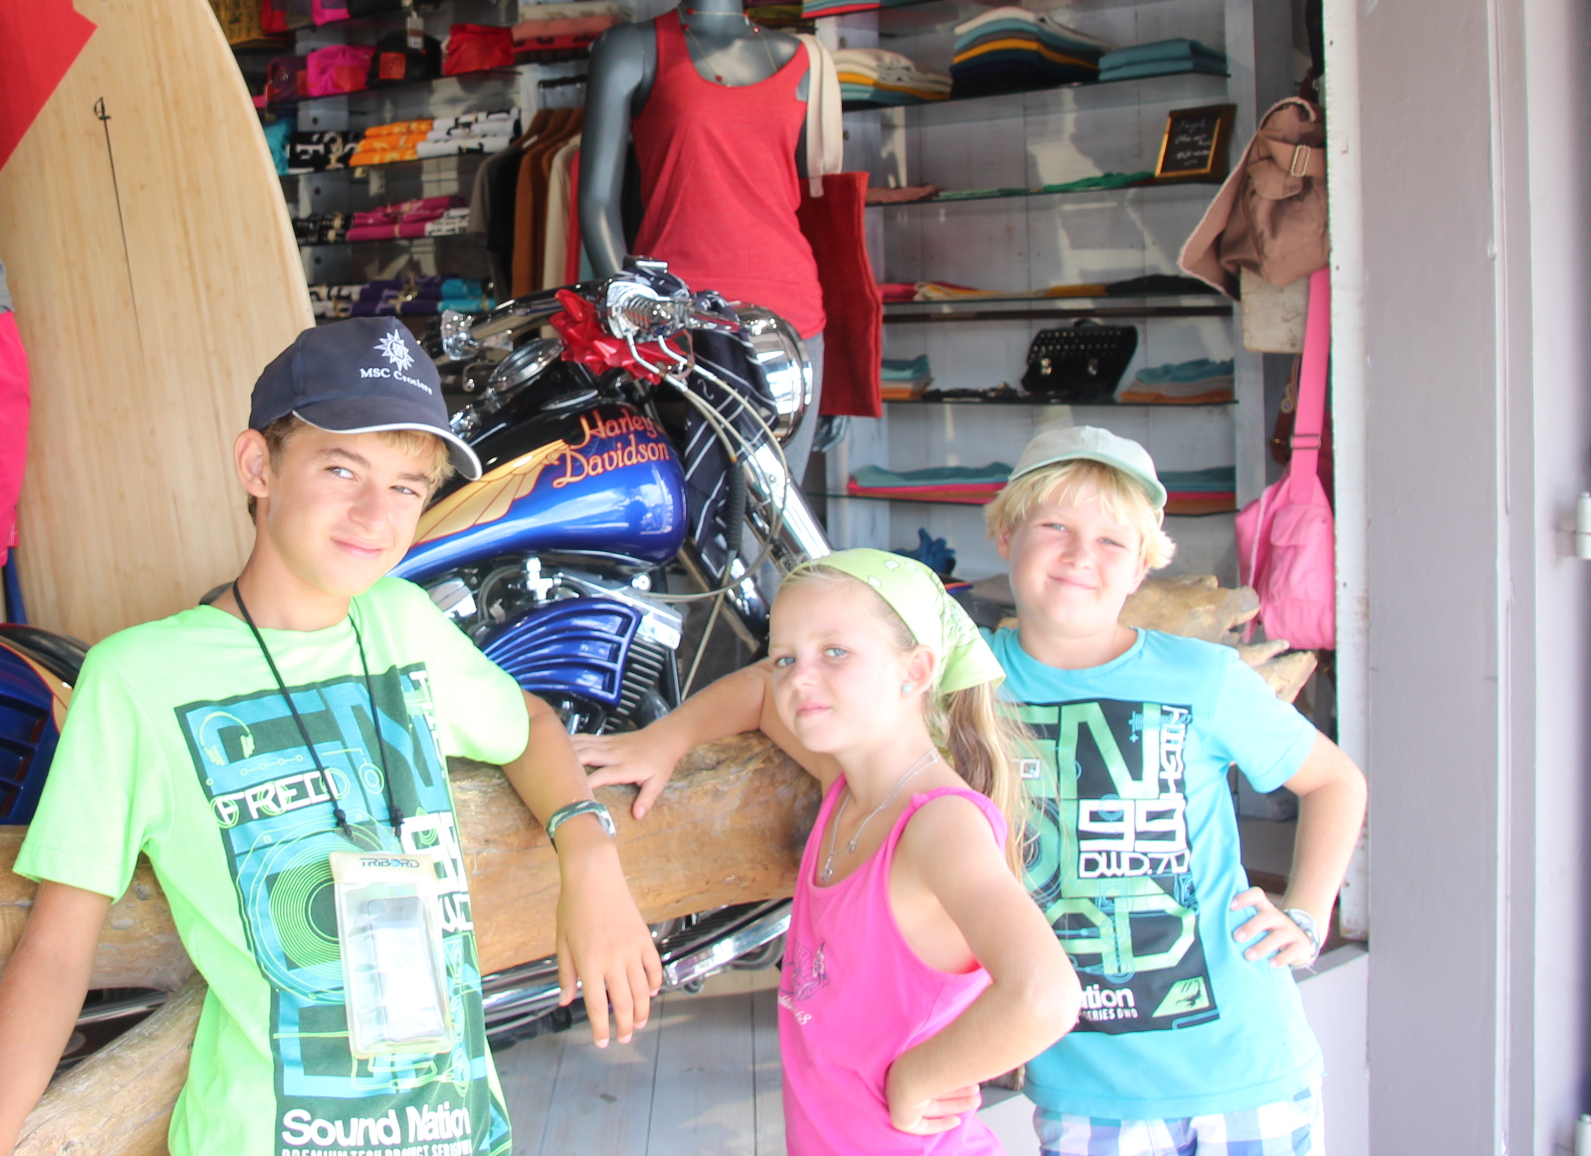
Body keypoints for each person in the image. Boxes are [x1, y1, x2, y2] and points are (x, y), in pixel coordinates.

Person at [0, 317, 664, 1156]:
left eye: (407, 486)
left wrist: (588, 853)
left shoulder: (404, 624)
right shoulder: (137, 681)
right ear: (259, 467)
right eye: (340, 468)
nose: (376, 514)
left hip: (458, 1131)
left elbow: (528, 724)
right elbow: (55, 953)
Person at [585, 427, 1370, 1156]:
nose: (1079, 555)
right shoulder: (957, 680)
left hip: (1243, 1062)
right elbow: (780, 682)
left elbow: (1335, 781)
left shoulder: (1204, 678)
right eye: (1054, 527)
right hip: (1081, 1084)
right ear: (1005, 535)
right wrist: (666, 737)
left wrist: (1306, 912)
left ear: (1142, 565)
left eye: (1111, 540)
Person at [578, 549, 1077, 1152]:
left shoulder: (939, 826)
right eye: (787, 656)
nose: (799, 678)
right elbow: (761, 692)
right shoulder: (845, 787)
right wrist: (665, 738)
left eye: (835, 652)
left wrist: (919, 1079)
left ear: (917, 670)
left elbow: (1045, 996)